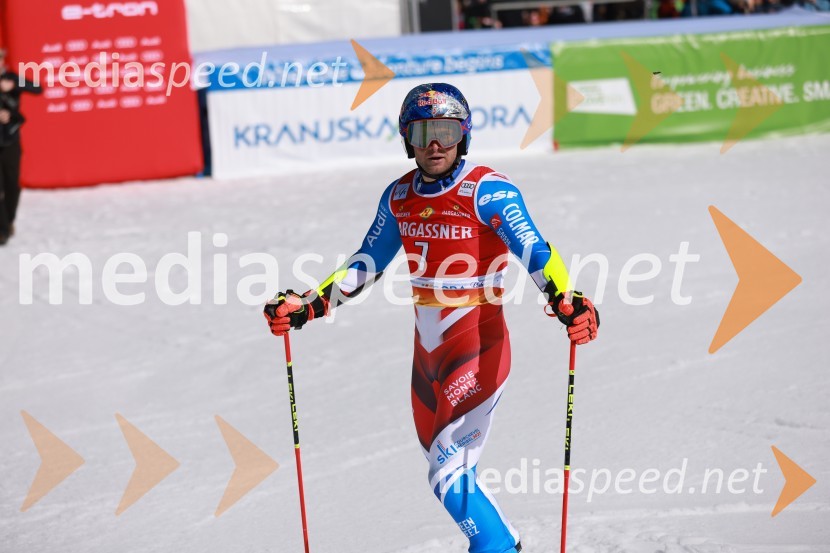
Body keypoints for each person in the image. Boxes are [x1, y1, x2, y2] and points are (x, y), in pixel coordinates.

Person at [264, 83, 599, 553]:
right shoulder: (399, 196)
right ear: (408, 138)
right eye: (423, 132)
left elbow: (535, 250)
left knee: (447, 474)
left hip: (479, 348)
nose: (435, 143)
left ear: (463, 135)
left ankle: (498, 548)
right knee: (449, 470)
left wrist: (567, 298)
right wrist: (310, 305)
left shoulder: (488, 190)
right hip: (427, 356)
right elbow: (367, 262)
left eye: (445, 130)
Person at [0, 48, 43, 245]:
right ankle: (2, 230)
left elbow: (37, 88)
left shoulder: (11, 78)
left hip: (10, 139)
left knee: (11, 185)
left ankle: (8, 221)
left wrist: (14, 84)